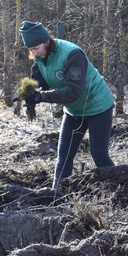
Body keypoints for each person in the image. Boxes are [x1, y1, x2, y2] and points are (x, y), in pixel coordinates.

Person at [18, 21, 115, 189]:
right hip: (74, 111)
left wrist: (41, 97)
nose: (34, 53)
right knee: (64, 156)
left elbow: (73, 91)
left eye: (36, 48)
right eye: (31, 49)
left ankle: (119, 189)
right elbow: (40, 84)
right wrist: (28, 95)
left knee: (99, 155)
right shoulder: (40, 59)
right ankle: (58, 195)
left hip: (98, 106)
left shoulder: (71, 54)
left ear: (47, 41)